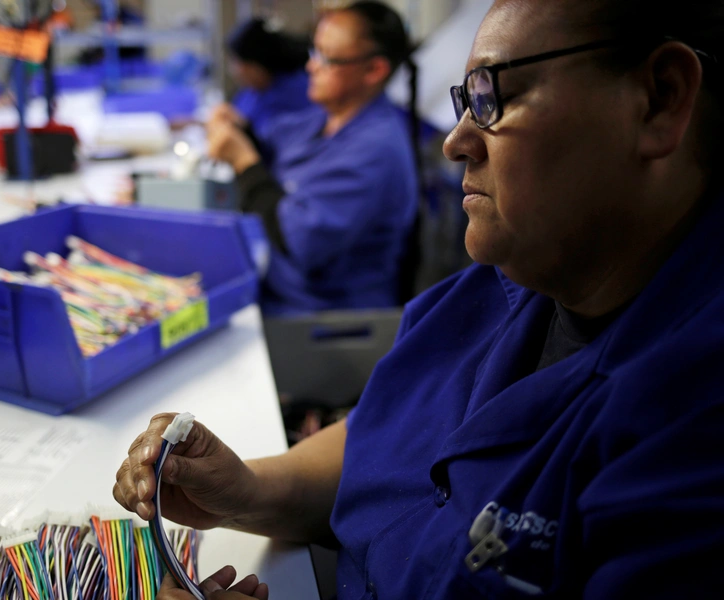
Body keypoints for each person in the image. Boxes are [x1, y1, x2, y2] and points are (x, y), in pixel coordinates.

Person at [115, 0, 724, 597]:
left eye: (491, 97)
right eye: (465, 102)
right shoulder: (499, 289)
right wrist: (248, 491)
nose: (456, 141)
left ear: (660, 99)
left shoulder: (691, 429)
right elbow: (385, 436)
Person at [207, 2, 420, 315]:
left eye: (326, 58)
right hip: (276, 288)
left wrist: (243, 161)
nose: (311, 67)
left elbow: (300, 240)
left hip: (320, 318)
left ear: (374, 70)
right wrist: (240, 129)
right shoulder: (325, 117)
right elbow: (274, 143)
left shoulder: (376, 150)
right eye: (313, 52)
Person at [226, 18, 313, 140]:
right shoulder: (254, 90)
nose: (233, 70)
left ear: (256, 65)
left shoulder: (296, 93)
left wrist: (243, 129)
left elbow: (273, 144)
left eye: (237, 62)